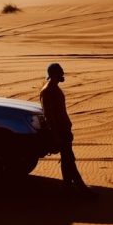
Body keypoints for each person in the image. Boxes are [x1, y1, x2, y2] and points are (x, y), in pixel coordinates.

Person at [40, 62, 94, 198]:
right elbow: (49, 116)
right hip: (60, 132)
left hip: (64, 130)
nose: (63, 74)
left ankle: (69, 189)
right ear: (54, 74)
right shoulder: (47, 91)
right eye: (60, 72)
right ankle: (81, 190)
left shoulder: (54, 89)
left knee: (67, 160)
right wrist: (56, 135)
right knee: (69, 160)